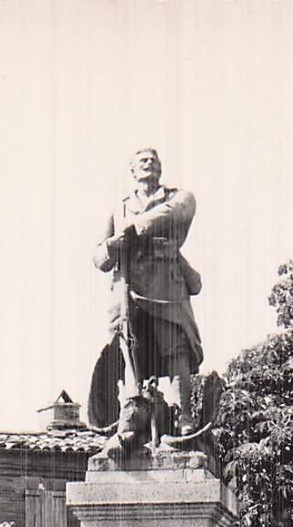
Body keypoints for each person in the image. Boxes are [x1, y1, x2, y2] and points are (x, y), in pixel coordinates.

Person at [89, 148, 204, 434]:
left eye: (154, 160)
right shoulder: (120, 207)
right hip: (128, 292)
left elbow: (179, 211)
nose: (149, 164)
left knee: (176, 349)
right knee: (131, 352)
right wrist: (114, 245)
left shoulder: (176, 196)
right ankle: (134, 415)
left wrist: (136, 227)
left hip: (167, 286)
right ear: (133, 170)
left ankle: (183, 416)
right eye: (143, 160)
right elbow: (99, 257)